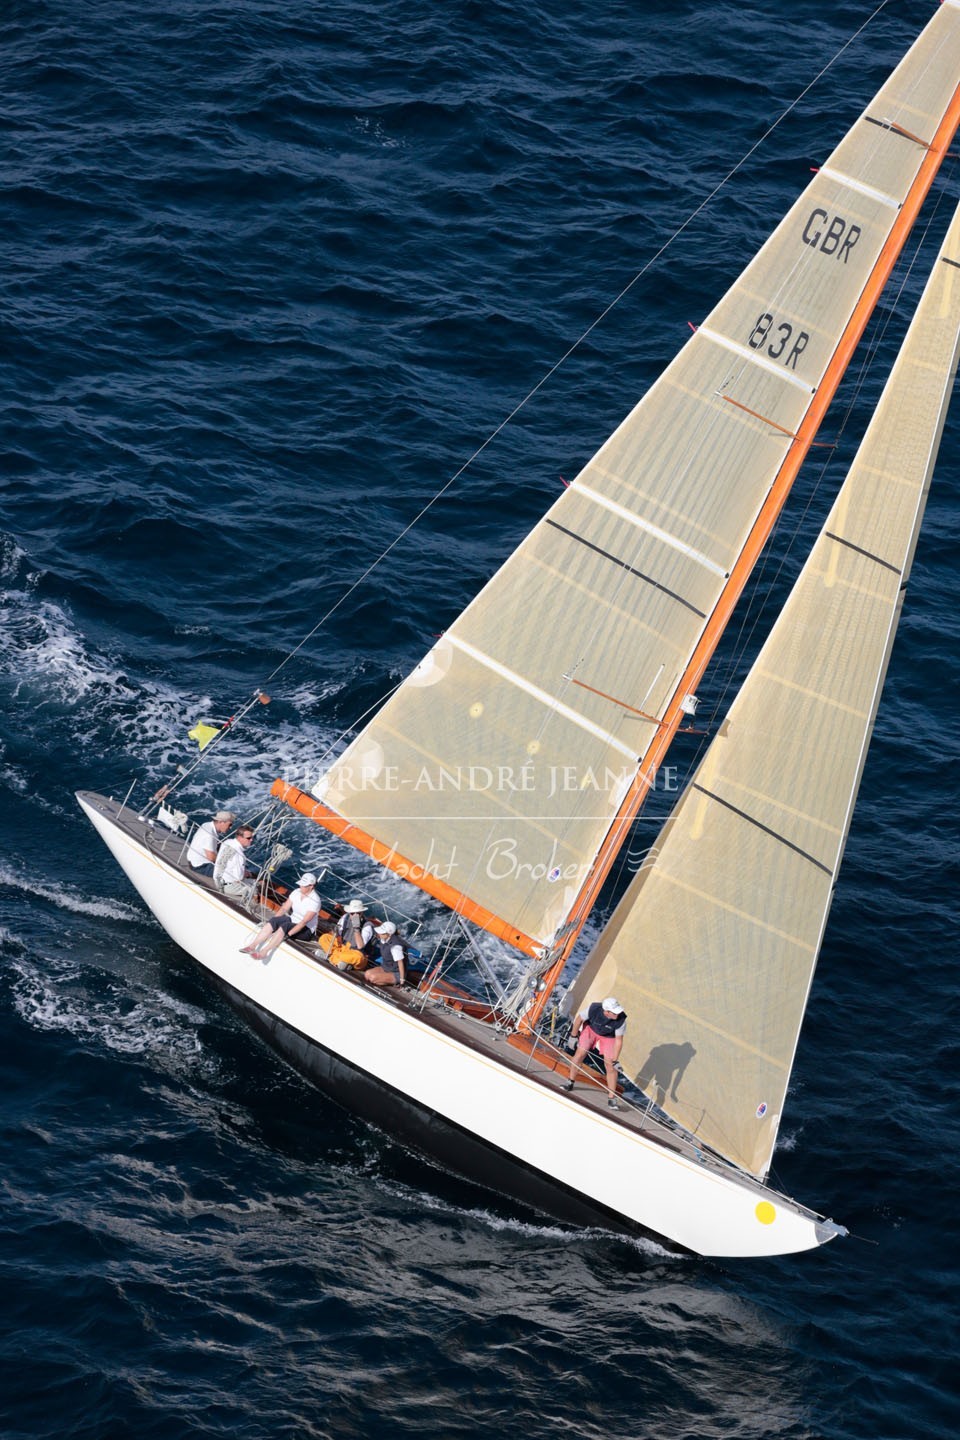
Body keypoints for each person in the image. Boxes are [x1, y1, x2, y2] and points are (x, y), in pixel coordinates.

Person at [561, 997, 627, 1109]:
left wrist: (615, 1060)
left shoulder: (621, 1020)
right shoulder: (593, 1008)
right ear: (606, 1012)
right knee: (580, 1053)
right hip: (591, 1030)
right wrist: (573, 1036)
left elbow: (618, 1041)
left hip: (609, 1037)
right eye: (614, 1012)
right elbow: (579, 1019)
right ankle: (570, 1082)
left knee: (610, 1066)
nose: (618, 1014)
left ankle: (612, 1099)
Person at [239, 874, 321, 959]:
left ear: (311, 886)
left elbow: (304, 922)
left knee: (285, 926)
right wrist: (274, 922)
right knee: (273, 921)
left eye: (303, 885)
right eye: (301, 884)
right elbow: (284, 908)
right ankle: (252, 946)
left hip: (306, 929)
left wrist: (288, 934)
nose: (300, 886)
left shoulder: (315, 901)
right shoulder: (296, 892)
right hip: (293, 920)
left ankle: (264, 952)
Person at [185, 810, 235, 876]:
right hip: (201, 866)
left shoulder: (207, 824)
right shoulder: (209, 835)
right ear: (221, 822)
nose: (230, 827)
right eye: (230, 824)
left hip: (193, 860)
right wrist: (227, 863)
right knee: (232, 873)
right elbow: (211, 857)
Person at [214, 824, 256, 898]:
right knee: (255, 887)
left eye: (252, 837)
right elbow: (238, 878)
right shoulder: (240, 855)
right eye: (249, 838)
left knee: (253, 882)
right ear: (239, 838)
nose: (251, 840)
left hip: (217, 880)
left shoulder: (227, 842)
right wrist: (248, 874)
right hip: (227, 887)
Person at [364, 921, 407, 988]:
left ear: (389, 934)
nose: (379, 934)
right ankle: (384, 979)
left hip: (396, 972)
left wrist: (402, 981)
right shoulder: (383, 939)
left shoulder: (395, 946)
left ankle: (393, 982)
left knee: (372, 978)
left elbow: (400, 963)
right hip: (386, 968)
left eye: (382, 933)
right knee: (367, 974)